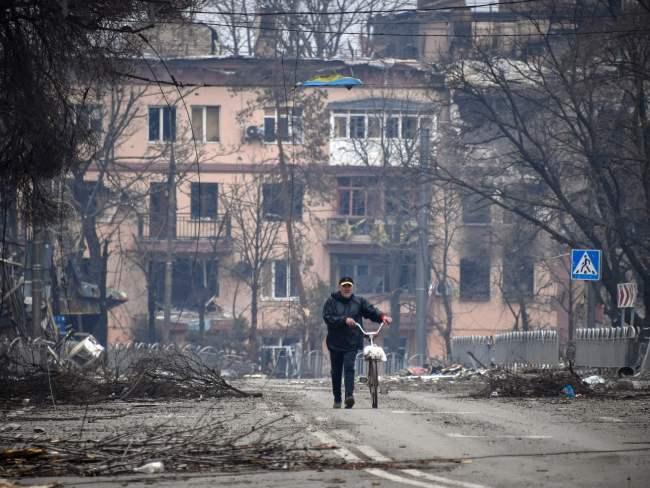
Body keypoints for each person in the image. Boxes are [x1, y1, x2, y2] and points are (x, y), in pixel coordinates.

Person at [322, 276, 392, 409]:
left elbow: (371, 311)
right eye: (344, 286)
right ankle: (337, 398)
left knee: (349, 367)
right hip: (335, 342)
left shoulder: (358, 302)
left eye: (349, 286)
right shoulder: (331, 302)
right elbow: (328, 317)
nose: (347, 288)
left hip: (352, 341)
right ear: (340, 287)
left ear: (352, 287)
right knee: (336, 371)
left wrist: (383, 317)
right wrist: (344, 320)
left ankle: (349, 396)